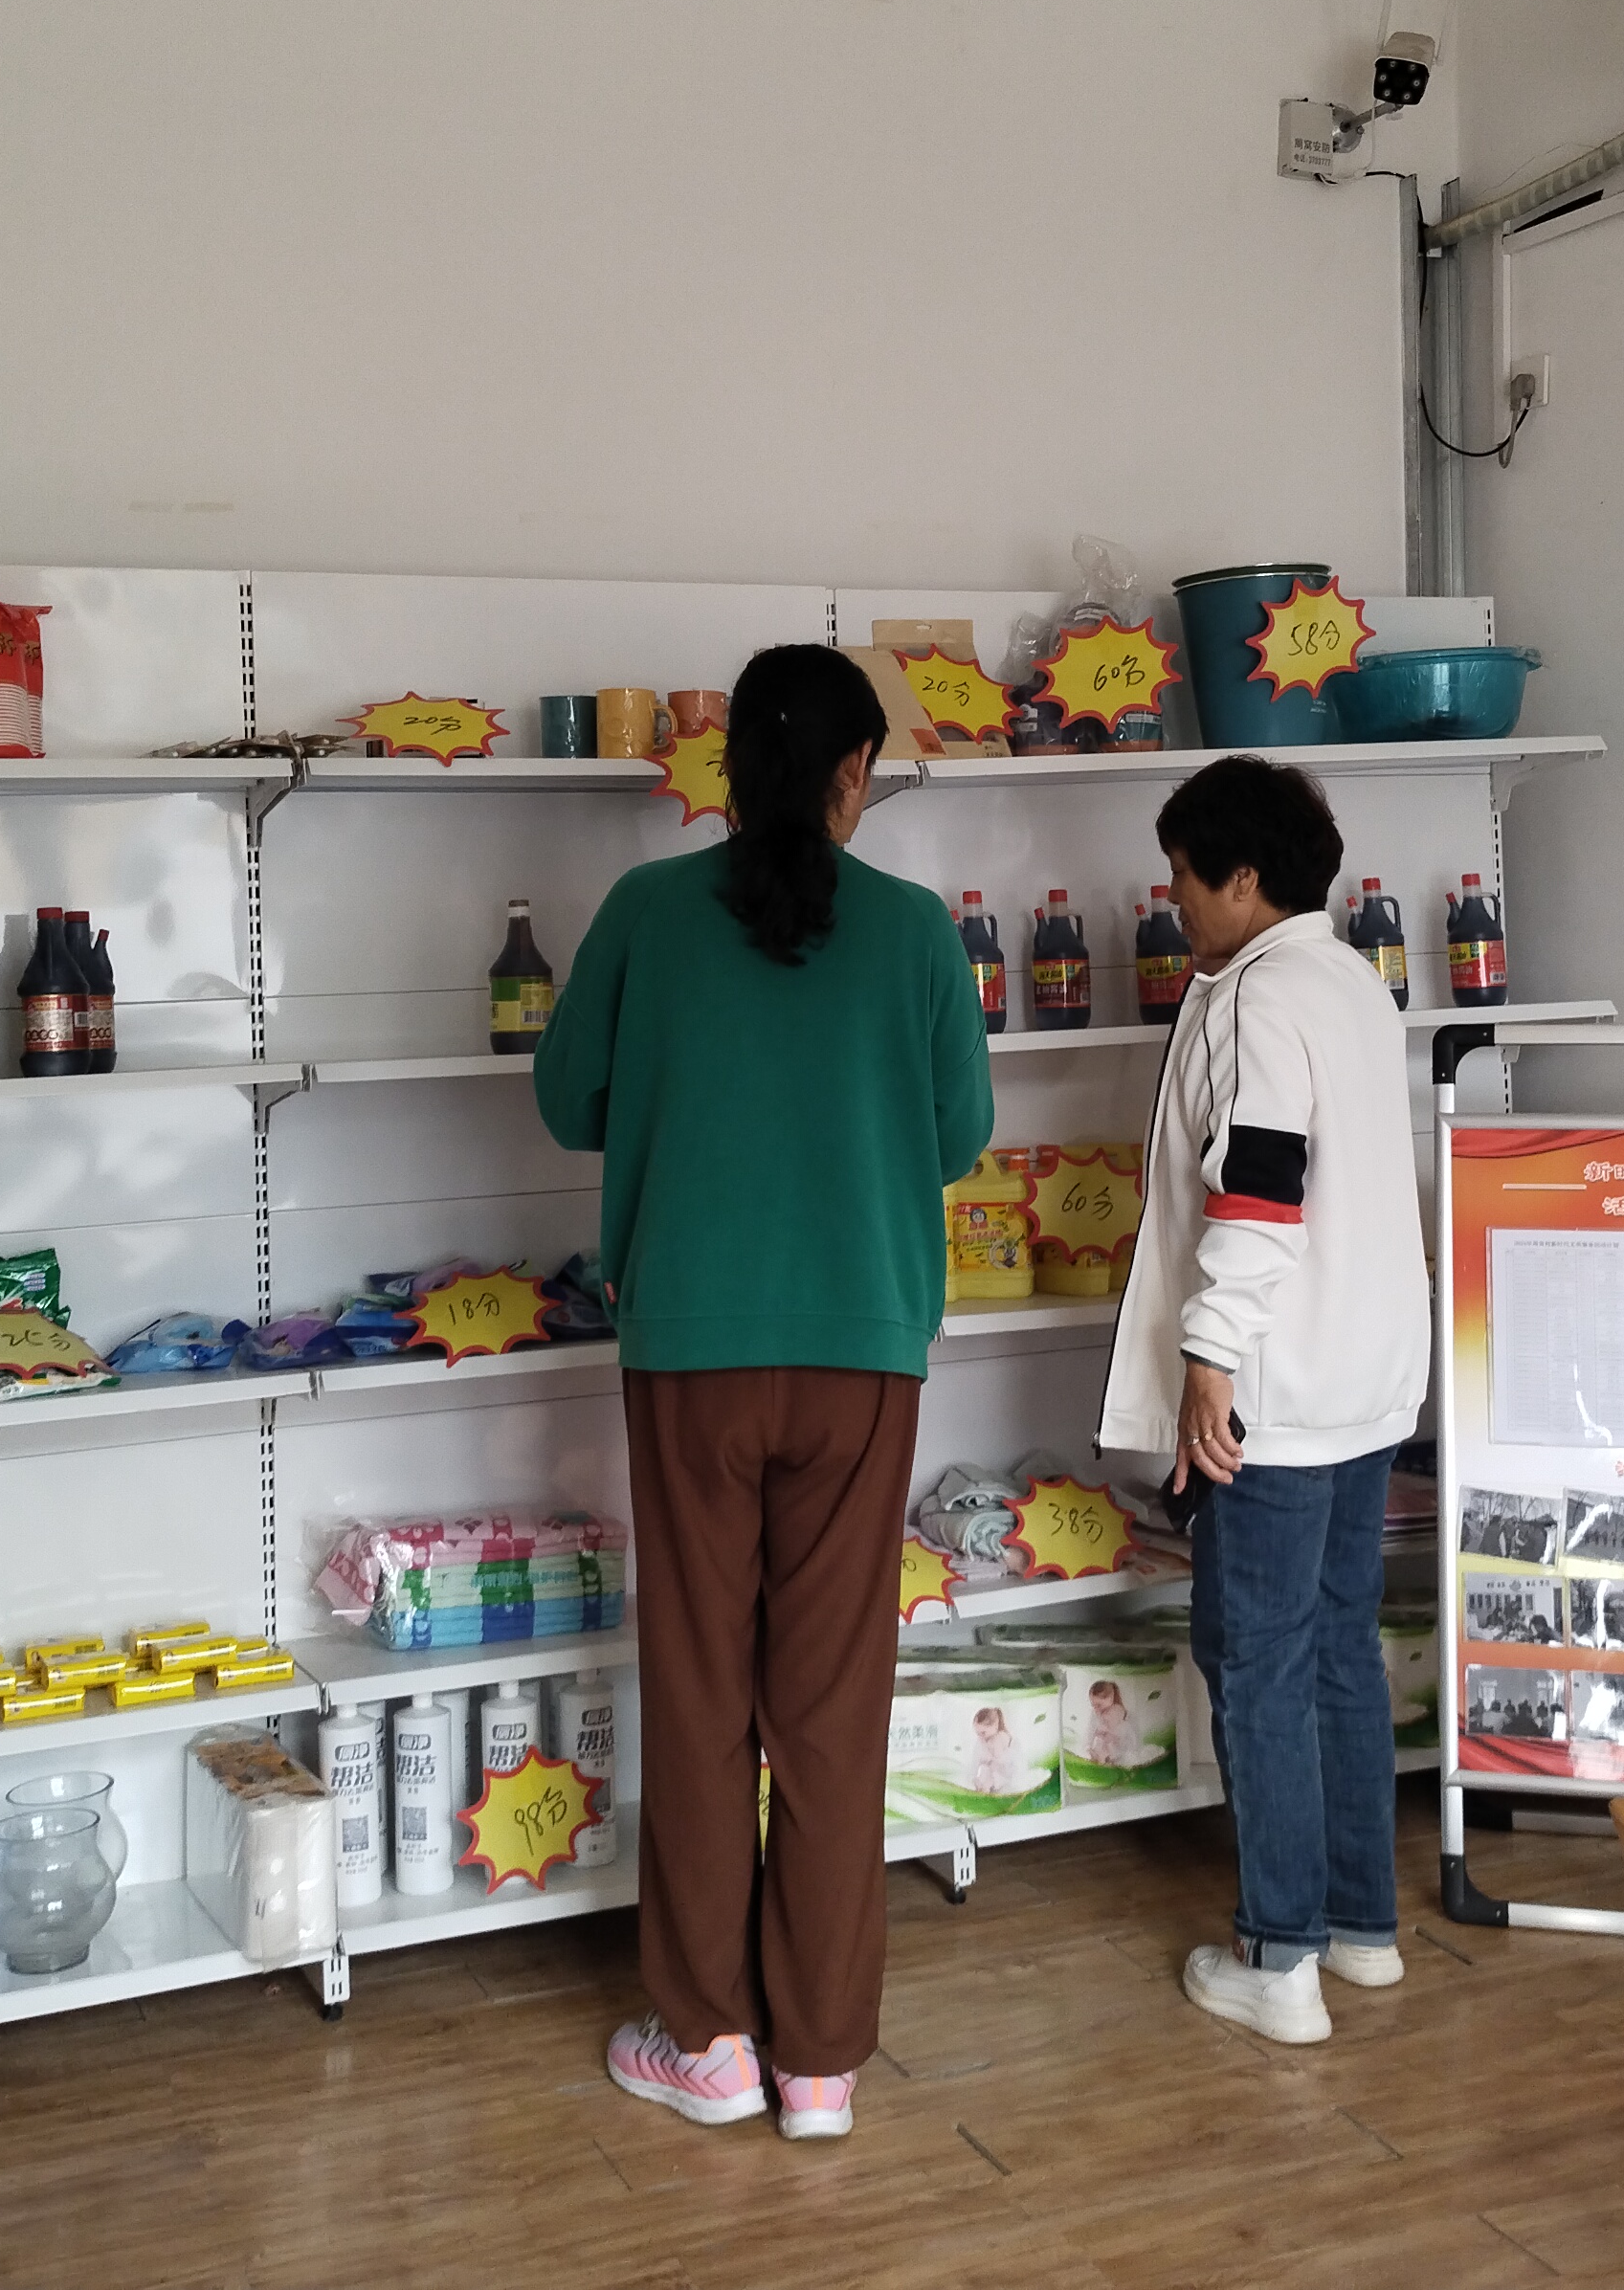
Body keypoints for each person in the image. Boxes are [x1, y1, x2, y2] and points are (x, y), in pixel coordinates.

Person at [534, 641, 990, 2143]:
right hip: (863, 1355)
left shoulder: (645, 912)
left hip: (691, 1352)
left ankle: (709, 2043)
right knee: (833, 1704)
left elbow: (567, 1103)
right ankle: (821, 2065)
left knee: (700, 1688)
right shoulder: (916, 932)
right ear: (857, 774)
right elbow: (957, 1138)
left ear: (727, 772)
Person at [1097, 752, 1428, 2046]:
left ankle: (1280, 1959)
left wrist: (1211, 1356)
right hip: (1367, 1384)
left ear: (1243, 880)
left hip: (1277, 1393)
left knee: (1258, 1662)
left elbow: (1260, 1187)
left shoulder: (1254, 995)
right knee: (1339, 1645)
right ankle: (1360, 1926)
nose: (1172, 899)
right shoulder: (1353, 983)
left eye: (1183, 876)